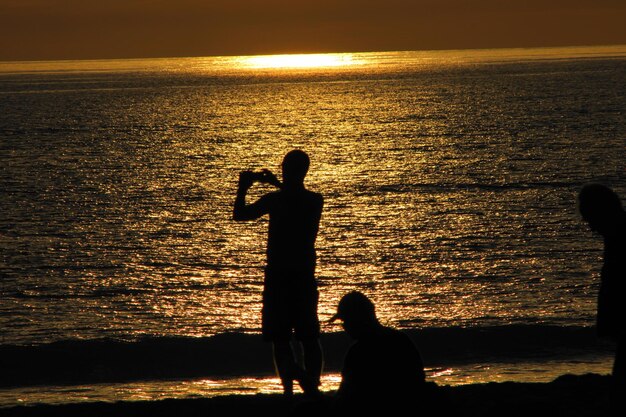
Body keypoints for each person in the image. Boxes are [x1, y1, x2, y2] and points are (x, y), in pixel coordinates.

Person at [233, 149, 324, 398]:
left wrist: (243, 187)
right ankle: (311, 388)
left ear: (286, 169)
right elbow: (294, 195)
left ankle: (289, 392)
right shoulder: (315, 200)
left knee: (280, 338)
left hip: (279, 278)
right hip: (303, 276)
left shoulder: (275, 200)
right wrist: (275, 183)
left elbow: (239, 214)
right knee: (308, 336)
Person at [330, 291, 426, 412]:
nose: (345, 327)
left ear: (357, 320)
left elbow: (347, 394)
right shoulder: (400, 339)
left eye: (346, 321)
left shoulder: (358, 352)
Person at [578, 184, 626, 411]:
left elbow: (616, 284)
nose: (590, 227)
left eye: (590, 218)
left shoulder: (620, 238)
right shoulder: (615, 235)